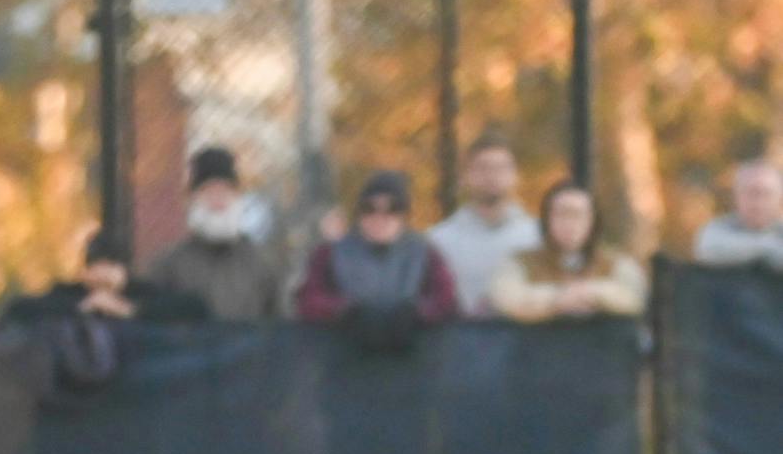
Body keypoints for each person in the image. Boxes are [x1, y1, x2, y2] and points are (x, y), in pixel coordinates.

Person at [296, 171, 458, 352]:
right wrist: (344, 311)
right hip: (343, 361)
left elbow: (446, 300)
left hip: (413, 361)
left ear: (404, 215)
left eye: (393, 209)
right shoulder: (328, 254)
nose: (380, 217)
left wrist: (416, 314)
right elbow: (308, 300)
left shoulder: (426, 253)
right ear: (359, 214)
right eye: (369, 208)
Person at [143, 147, 283, 320]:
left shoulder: (261, 263)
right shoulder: (170, 264)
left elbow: (279, 323)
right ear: (192, 198)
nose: (218, 200)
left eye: (225, 190)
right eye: (208, 190)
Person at [490, 181, 647, 321]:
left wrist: (592, 293)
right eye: (561, 214)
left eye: (578, 215)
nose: (569, 224)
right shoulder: (521, 262)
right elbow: (507, 298)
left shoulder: (615, 262)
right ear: (546, 220)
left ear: (593, 221)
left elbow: (635, 297)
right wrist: (557, 299)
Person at [426, 133, 542, 315]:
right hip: (462, 339)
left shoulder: (538, 236)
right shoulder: (439, 241)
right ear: (465, 176)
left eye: (501, 168)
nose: (492, 176)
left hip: (526, 340)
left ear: (515, 175)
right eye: (482, 168)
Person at [6, 230, 204, 325]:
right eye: (96, 266)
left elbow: (194, 307)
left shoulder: (142, 293)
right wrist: (82, 308)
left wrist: (129, 310)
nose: (103, 273)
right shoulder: (69, 294)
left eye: (110, 265)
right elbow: (19, 308)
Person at [693, 160, 783, 271]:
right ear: (736, 196)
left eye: (766, 194)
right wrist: (766, 247)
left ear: (779, 198)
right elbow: (708, 249)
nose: (758, 202)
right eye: (751, 193)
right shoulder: (717, 229)